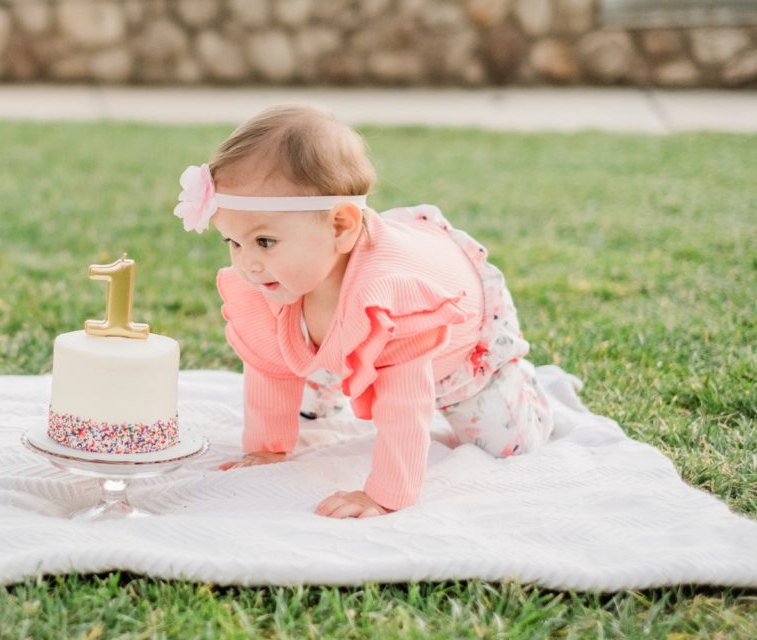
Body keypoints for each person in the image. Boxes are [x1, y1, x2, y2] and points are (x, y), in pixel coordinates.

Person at [174, 104, 553, 519]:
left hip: (459, 340)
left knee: (507, 442)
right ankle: (328, 378)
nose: (246, 263)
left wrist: (386, 494)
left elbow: (405, 407)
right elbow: (269, 364)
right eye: (233, 242)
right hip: (338, 308)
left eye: (264, 242)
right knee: (299, 356)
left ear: (340, 226)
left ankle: (519, 383)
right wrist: (267, 448)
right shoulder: (275, 278)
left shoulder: (392, 299)